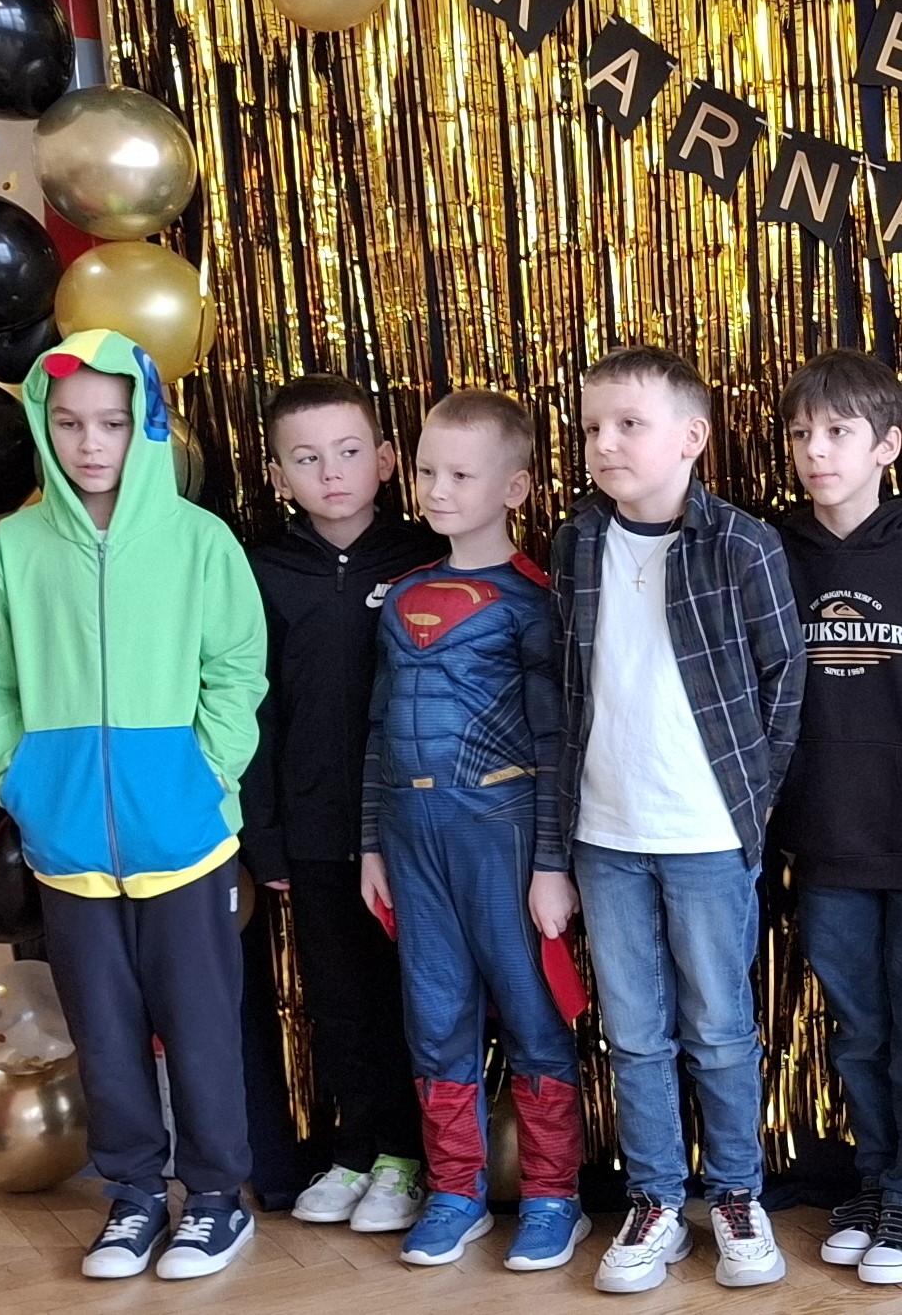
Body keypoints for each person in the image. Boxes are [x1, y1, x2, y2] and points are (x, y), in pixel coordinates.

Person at [0, 328, 267, 1283]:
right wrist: (26, 781)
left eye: (111, 421)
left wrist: (202, 777)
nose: (90, 442)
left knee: (202, 1026)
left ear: (147, 424)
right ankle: (134, 1194)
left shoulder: (199, 541)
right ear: (42, 427)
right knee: (102, 1030)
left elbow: (237, 673)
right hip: (68, 844)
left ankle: (215, 1199)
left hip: (184, 834)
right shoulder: (15, 548)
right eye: (68, 423)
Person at [537, 346, 806, 1294]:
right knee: (635, 1032)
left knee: (720, 1027)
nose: (604, 443)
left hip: (707, 839)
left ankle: (735, 1194)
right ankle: (655, 1198)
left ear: (691, 437)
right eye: (591, 427)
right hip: (606, 838)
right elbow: (565, 691)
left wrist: (745, 809)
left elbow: (784, 685)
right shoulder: (577, 543)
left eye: (628, 424)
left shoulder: (742, 544)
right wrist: (557, 846)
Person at [355, 389, 588, 1271]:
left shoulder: (535, 601)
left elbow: (557, 741)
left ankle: (554, 1195)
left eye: (461, 473)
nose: (437, 489)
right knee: (434, 1012)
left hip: (503, 831)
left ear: (515, 486)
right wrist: (371, 842)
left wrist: (552, 863)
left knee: (531, 1010)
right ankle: (455, 1190)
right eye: (426, 471)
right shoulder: (404, 595)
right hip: (412, 833)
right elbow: (377, 727)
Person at [770, 351, 902, 1285]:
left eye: (839, 431)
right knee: (858, 1031)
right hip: (825, 841)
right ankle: (876, 1177)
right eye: (802, 433)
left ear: (888, 444)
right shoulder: (773, 554)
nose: (817, 450)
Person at [243, 375, 444, 1236]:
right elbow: (251, 712)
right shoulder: (261, 570)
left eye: (350, 451)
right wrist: (267, 838)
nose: (331, 472)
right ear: (278, 474)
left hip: (419, 830)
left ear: (388, 460)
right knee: (340, 998)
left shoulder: (427, 558)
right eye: (307, 458)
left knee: (419, 997)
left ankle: (411, 1158)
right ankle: (358, 1149)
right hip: (317, 830)